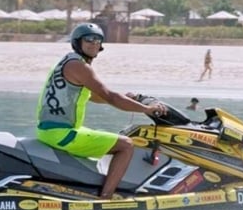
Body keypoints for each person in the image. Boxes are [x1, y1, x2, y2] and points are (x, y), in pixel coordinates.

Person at [36, 22, 169, 198]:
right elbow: (109, 96)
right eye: (89, 39)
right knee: (126, 145)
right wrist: (147, 109)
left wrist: (126, 99)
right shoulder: (79, 66)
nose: (94, 43)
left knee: (103, 135)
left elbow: (92, 96)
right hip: (62, 133)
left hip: (50, 131)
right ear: (77, 42)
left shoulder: (67, 61)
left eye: (98, 40)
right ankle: (106, 198)